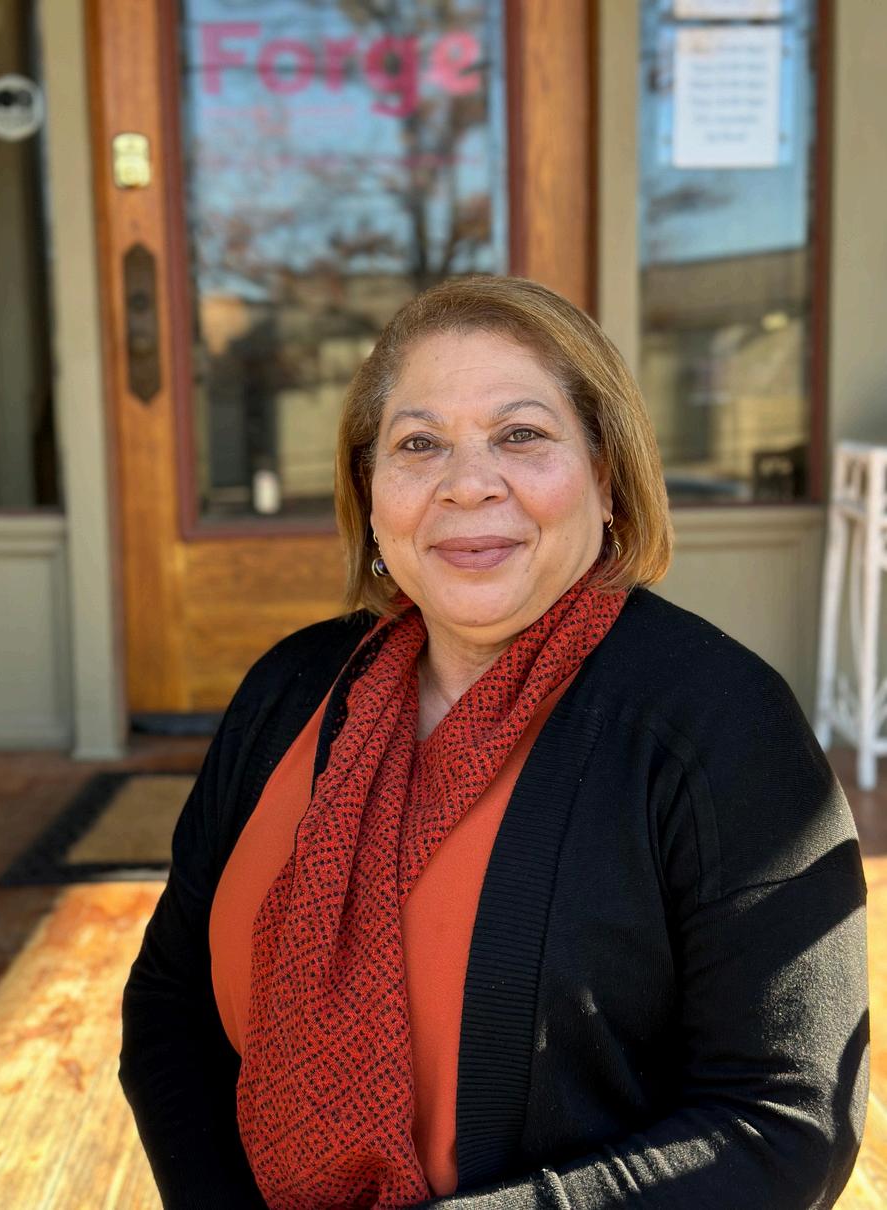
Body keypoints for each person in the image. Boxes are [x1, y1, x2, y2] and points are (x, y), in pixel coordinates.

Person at [119, 275, 868, 1210]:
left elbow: (783, 1126)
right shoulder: (291, 689)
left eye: (521, 435)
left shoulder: (721, 724)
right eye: (418, 444)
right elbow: (170, 1004)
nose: (467, 483)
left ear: (607, 478)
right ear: (369, 493)